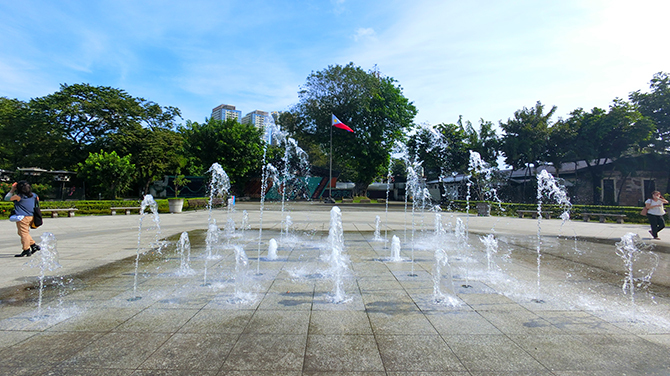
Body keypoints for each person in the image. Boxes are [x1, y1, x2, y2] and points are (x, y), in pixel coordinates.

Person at [4, 181, 41, 257]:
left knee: (24, 234)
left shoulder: (18, 196)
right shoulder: (34, 195)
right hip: (31, 216)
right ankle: (33, 245)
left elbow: (6, 198)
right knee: (22, 233)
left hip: (22, 217)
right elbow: (37, 200)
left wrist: (12, 189)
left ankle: (26, 250)